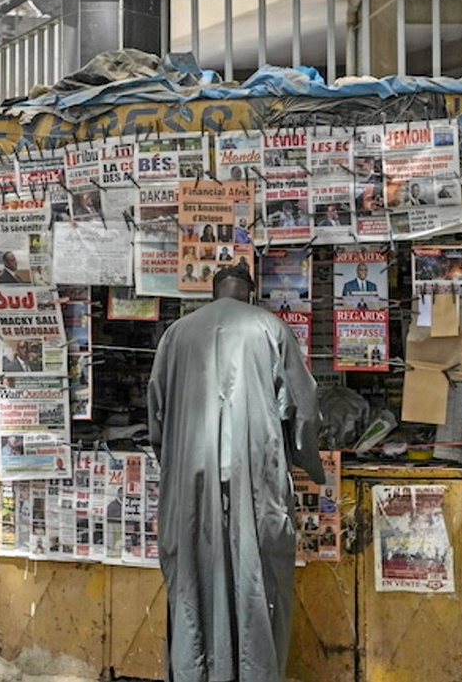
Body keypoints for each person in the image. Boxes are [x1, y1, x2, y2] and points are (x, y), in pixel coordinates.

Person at [147, 263, 325, 682]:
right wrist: (310, 464)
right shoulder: (270, 328)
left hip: (190, 481)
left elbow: (156, 412)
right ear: (249, 292)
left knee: (192, 579)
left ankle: (197, 672)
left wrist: (174, 460)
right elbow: (304, 410)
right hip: (255, 478)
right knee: (256, 578)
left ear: (214, 293)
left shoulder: (177, 334)